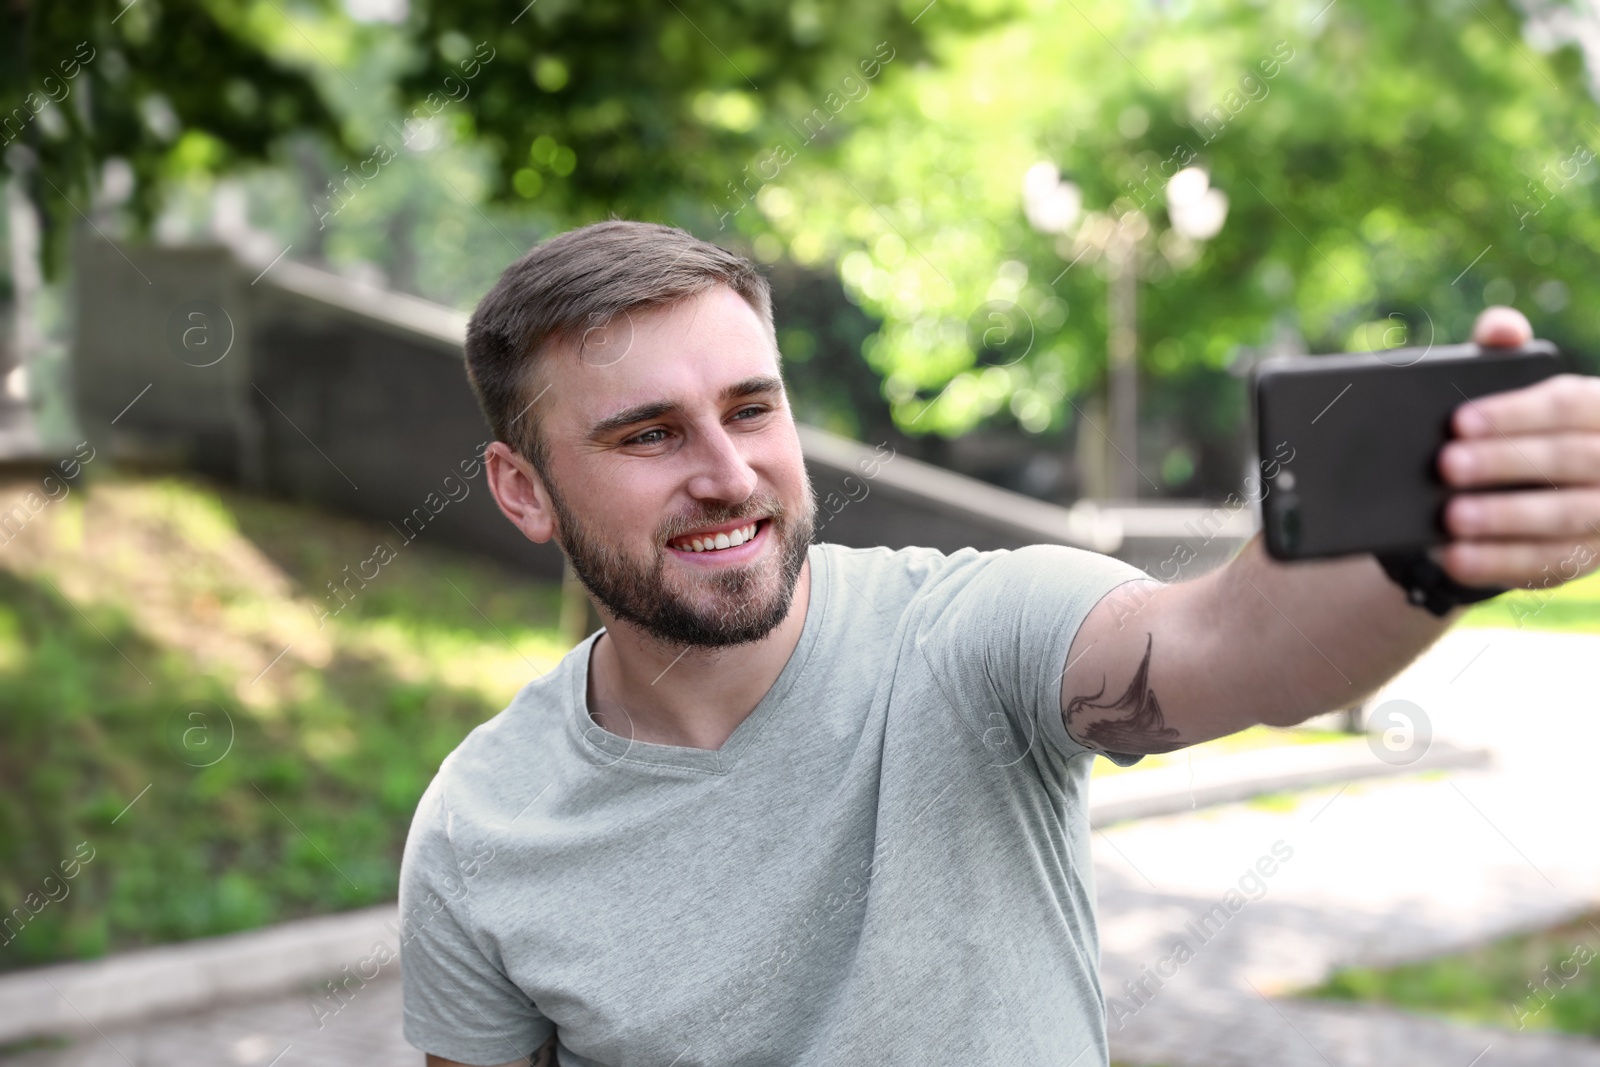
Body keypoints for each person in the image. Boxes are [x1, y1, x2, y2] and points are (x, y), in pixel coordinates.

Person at [398, 220, 1600, 1067]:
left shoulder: (969, 632)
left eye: (752, 408)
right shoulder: (481, 826)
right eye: (649, 434)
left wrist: (1430, 549)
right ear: (523, 489)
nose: (728, 475)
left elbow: (1231, 645)